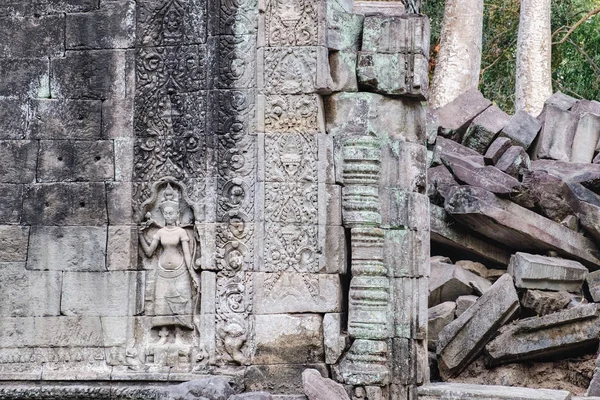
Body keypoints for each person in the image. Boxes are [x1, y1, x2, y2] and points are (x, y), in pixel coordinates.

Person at [139, 187, 200, 345]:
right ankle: (164, 334)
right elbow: (149, 252)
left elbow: (187, 255)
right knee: (162, 303)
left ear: (177, 214)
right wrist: (139, 234)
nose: (168, 216)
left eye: (171, 213)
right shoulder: (160, 233)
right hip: (162, 271)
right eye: (166, 213)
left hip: (180, 272)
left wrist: (192, 274)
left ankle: (179, 334)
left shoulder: (181, 232)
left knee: (181, 302)